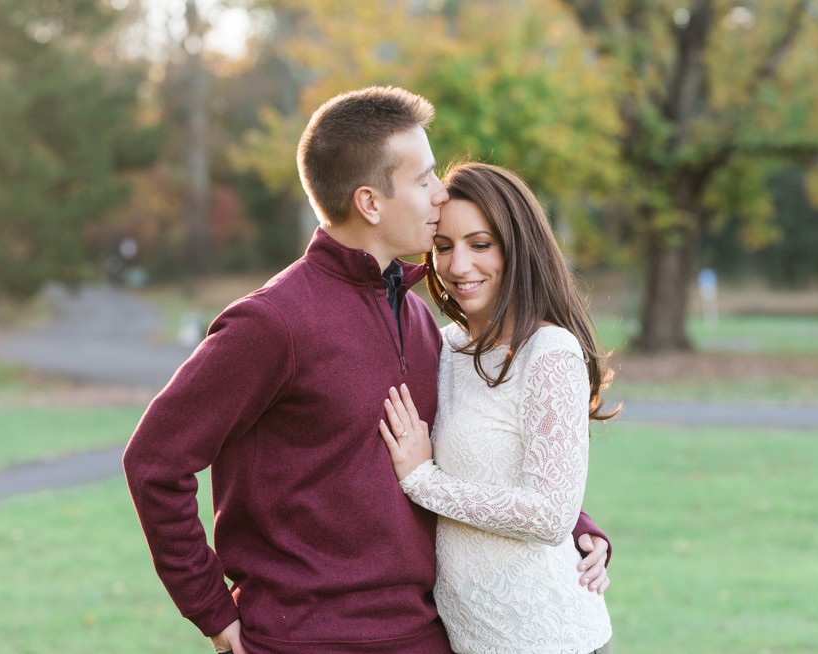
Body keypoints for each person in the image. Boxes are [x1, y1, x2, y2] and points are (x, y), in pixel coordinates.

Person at [122, 87, 611, 654]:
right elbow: (155, 461)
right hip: (305, 639)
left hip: (430, 634)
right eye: (424, 178)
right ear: (370, 203)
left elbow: (483, 444)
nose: (440, 193)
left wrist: (574, 525)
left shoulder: (420, 318)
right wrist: (208, 606)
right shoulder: (273, 322)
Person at [379, 162, 618, 653]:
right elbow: (504, 470)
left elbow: (551, 514)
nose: (458, 266)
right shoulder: (444, 347)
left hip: (548, 640)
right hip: (469, 638)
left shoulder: (549, 352)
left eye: (480, 244)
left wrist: (423, 481)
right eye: (443, 247)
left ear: (517, 248)